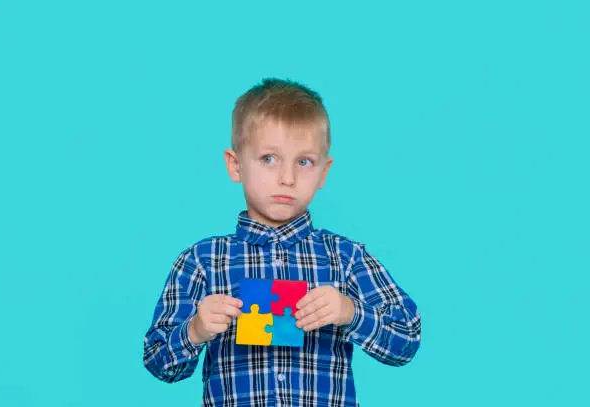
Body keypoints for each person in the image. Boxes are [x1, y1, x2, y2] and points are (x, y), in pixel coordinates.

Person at [143, 78, 421, 406]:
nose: (287, 178)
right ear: (235, 165)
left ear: (323, 172)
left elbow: (407, 339)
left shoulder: (346, 258)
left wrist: (350, 311)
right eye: (269, 159)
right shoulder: (201, 260)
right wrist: (195, 330)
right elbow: (158, 361)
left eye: (303, 162)